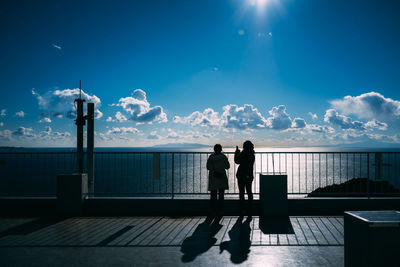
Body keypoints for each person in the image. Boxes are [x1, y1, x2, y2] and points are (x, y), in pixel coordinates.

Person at [206, 144, 230, 214]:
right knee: (221, 194)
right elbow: (227, 166)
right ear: (221, 149)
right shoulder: (223, 157)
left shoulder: (211, 157)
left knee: (213, 194)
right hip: (222, 176)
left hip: (213, 176)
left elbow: (208, 167)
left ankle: (213, 209)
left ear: (214, 149)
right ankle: (220, 209)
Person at [234, 140, 255, 213]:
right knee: (249, 191)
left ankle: (242, 208)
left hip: (241, 175)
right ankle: (250, 208)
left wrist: (236, 153)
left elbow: (237, 161)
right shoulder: (252, 154)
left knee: (241, 192)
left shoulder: (244, 154)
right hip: (249, 175)